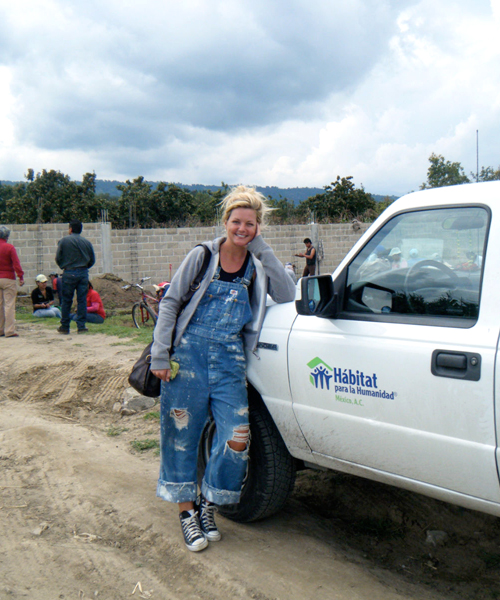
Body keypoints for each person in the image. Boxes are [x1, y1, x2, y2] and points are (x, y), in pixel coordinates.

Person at [150, 185, 296, 552]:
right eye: (236, 221)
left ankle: (209, 506)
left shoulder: (257, 264)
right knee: (181, 435)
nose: (242, 228)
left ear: (258, 227)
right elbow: (170, 304)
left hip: (230, 360)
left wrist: (262, 250)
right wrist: (160, 355)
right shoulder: (202, 256)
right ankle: (187, 512)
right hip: (188, 358)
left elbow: (288, 294)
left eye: (250, 223)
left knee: (237, 436)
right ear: (225, 222)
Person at [55, 220, 95, 334]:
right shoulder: (87, 242)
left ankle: (64, 326)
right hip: (83, 273)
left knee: (66, 300)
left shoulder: (64, 241)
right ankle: (81, 326)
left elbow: (58, 258)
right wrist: (84, 267)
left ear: (70, 229)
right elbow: (92, 259)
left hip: (69, 272)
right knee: (82, 300)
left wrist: (64, 266)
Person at [0, 225, 24, 338]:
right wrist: (21, 276)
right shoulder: (9, 247)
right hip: (8, 278)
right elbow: (16, 264)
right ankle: (9, 330)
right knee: (9, 304)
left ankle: (0, 329)